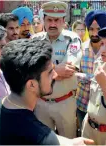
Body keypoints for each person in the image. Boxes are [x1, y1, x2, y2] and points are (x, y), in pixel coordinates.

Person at [0, 39, 94, 145]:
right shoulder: (42, 136)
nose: (55, 75)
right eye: (50, 73)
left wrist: (70, 142)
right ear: (32, 85)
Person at [32, 1, 82, 138]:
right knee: (43, 140)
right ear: (44, 20)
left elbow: (68, 70)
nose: (53, 24)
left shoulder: (72, 39)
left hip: (64, 102)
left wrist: (42, 71)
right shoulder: (35, 40)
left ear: (63, 21)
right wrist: (55, 69)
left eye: (57, 20)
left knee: (68, 140)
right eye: (49, 20)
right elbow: (30, 68)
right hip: (40, 102)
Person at [75, 10, 106, 134]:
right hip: (82, 103)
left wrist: (83, 77)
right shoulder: (80, 47)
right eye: (91, 29)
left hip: (103, 107)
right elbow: (73, 73)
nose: (94, 33)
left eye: (98, 29)